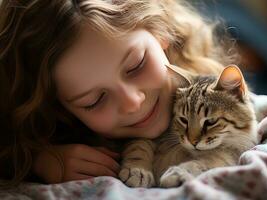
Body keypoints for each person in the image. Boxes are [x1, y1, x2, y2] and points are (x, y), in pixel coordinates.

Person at [0, 0, 235, 187]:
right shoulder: (54, 139)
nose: (133, 102)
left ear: (160, 33)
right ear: (57, 108)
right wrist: (38, 161)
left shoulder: (215, 92)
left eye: (136, 65)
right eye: (94, 101)